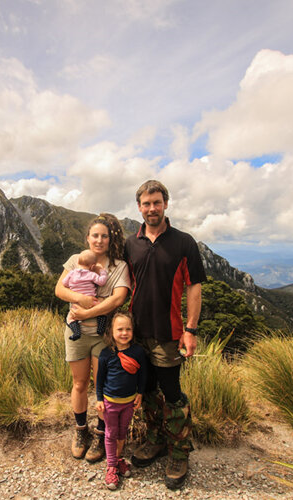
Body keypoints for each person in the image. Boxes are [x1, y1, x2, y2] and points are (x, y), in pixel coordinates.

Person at [124, 180, 205, 490]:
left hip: (170, 334)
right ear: (139, 207)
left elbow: (194, 287)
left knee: (172, 394)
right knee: (147, 390)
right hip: (136, 333)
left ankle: (180, 451)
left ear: (166, 204)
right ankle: (157, 440)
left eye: (156, 202)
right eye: (146, 204)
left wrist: (191, 329)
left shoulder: (184, 242)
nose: (151, 208)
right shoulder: (131, 244)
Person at [55, 213, 131, 464]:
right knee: (79, 384)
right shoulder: (75, 260)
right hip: (76, 332)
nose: (99, 240)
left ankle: (100, 433)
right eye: (95, 236)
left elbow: (118, 298)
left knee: (102, 387)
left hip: (102, 335)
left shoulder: (118, 266)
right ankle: (80, 431)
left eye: (104, 236)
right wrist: (80, 299)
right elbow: (59, 289)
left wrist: (88, 311)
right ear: (87, 238)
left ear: (110, 239)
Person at [95, 312, 147, 490]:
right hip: (110, 402)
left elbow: (142, 374)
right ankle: (111, 466)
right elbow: (99, 380)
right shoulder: (106, 354)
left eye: (128, 329)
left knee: (122, 432)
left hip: (129, 402)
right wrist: (99, 399)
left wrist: (140, 393)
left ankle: (117, 460)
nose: (124, 333)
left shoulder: (138, 352)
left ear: (133, 331)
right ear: (111, 331)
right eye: (120, 329)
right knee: (110, 433)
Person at [61, 249, 108, 340]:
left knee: (70, 318)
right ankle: (100, 328)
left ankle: (76, 332)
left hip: (76, 305)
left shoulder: (72, 273)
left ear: (78, 261)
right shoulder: (91, 275)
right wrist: (103, 272)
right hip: (92, 302)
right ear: (92, 266)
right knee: (102, 311)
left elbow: (64, 283)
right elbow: (101, 282)